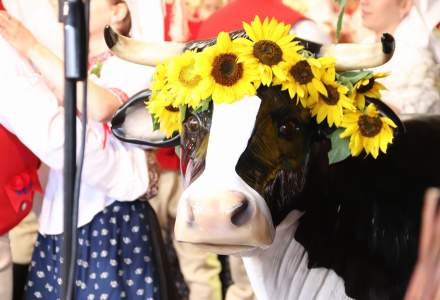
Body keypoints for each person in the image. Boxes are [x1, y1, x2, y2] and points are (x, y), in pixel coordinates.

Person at [0, 1, 166, 299]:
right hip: (65, 216)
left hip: (111, 216)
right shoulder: (78, 63)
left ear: (119, 11)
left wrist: (31, 46)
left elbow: (101, 106)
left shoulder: (131, 62)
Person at [359, 0, 440, 113]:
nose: (363, 1)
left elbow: (399, 119)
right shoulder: (364, 44)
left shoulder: (416, 59)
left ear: (404, 5)